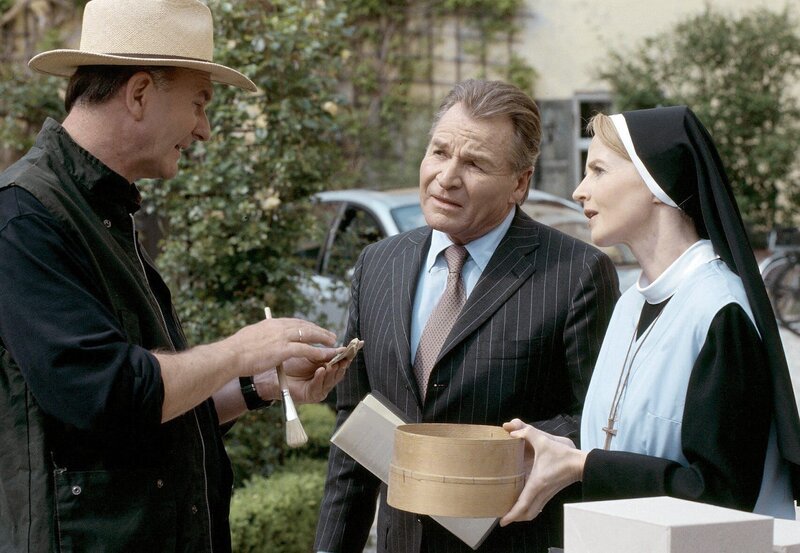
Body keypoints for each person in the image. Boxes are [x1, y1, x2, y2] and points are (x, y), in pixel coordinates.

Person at [0, 1, 352, 551]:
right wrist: (241, 350)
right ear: (139, 93)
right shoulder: (24, 218)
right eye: (199, 103)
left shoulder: (102, 214)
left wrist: (264, 382)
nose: (205, 130)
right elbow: (109, 396)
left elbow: (157, 405)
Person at [314, 79, 620, 553]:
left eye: (474, 163)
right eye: (439, 152)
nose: (447, 177)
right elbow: (355, 433)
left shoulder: (575, 274)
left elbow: (600, 423)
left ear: (520, 182)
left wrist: (492, 453)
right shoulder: (378, 265)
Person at [501, 106, 800, 527]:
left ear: (656, 181)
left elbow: (722, 496)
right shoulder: (629, 305)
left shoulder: (719, 311)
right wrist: (561, 451)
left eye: (599, 170)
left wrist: (587, 466)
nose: (579, 191)